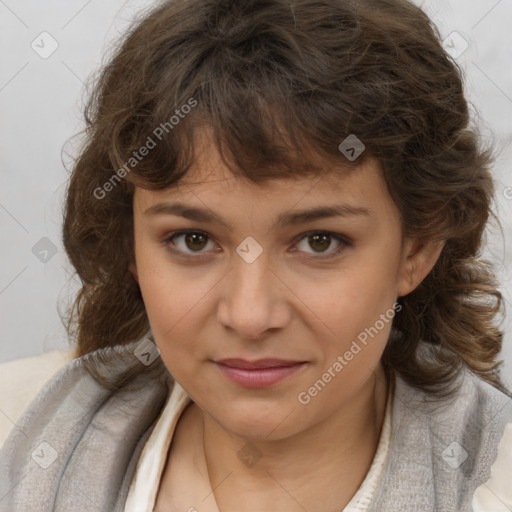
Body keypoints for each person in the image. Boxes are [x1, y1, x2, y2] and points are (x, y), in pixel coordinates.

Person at [1, 0, 511, 510]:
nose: (249, 316)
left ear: (416, 249)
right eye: (193, 240)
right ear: (128, 246)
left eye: (318, 241)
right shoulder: (15, 432)